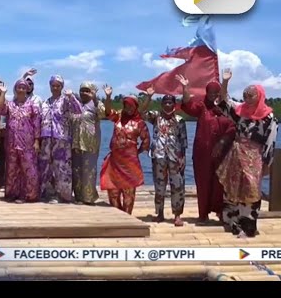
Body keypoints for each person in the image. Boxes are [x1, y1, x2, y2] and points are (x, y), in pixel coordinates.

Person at [216, 68, 278, 238]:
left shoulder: (269, 117)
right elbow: (224, 100)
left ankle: (249, 226)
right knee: (233, 187)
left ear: (259, 95)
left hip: (255, 157)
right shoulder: (240, 111)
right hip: (236, 154)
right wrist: (226, 81)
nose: (247, 98)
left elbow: (270, 143)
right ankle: (233, 223)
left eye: (251, 95)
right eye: (245, 95)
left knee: (251, 189)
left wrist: (267, 164)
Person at [178, 75, 236, 223]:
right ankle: (203, 213)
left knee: (220, 183)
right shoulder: (201, 107)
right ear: (206, 92)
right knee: (203, 182)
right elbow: (187, 103)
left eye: (216, 93)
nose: (213, 95)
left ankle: (220, 212)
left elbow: (232, 128)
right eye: (210, 92)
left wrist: (225, 81)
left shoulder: (225, 109)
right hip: (202, 153)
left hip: (222, 153)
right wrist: (185, 87)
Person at [140, 87, 188, 226]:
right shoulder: (156, 117)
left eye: (170, 102)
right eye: (165, 102)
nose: (168, 104)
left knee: (178, 186)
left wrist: (183, 158)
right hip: (158, 156)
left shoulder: (180, 120)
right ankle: (159, 213)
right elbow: (141, 113)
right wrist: (148, 97)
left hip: (175, 156)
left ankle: (177, 215)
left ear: (174, 104)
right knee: (159, 186)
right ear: (162, 104)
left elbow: (183, 141)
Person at [100, 86, 150, 214]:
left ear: (135, 107)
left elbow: (146, 140)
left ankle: (128, 218)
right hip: (115, 162)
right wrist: (108, 97)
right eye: (126, 105)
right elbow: (107, 112)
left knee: (128, 194)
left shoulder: (139, 123)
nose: (129, 108)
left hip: (130, 164)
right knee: (113, 192)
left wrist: (137, 152)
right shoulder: (118, 117)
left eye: (131, 105)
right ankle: (117, 217)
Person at [0, 79, 41, 203]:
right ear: (15, 89)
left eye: (23, 88)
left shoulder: (32, 105)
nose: (21, 90)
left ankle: (29, 195)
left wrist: (37, 141)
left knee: (28, 169)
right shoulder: (10, 104)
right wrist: (3, 94)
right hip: (11, 142)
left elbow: (37, 124)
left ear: (27, 90)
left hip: (27, 143)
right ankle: (11, 194)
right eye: (18, 87)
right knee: (12, 169)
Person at [38, 75, 82, 203]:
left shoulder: (65, 100)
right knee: (46, 166)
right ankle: (48, 193)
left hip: (61, 138)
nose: (55, 88)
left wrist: (71, 97)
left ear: (62, 87)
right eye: (53, 85)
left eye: (58, 85)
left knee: (62, 167)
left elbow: (78, 111)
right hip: (46, 137)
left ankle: (62, 195)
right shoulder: (46, 102)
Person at [71, 81, 107, 205]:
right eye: (82, 90)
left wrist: (96, 98)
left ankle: (88, 198)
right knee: (76, 170)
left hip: (90, 143)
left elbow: (104, 114)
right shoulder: (76, 104)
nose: (84, 93)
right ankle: (78, 197)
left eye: (87, 90)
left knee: (88, 171)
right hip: (76, 142)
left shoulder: (96, 103)